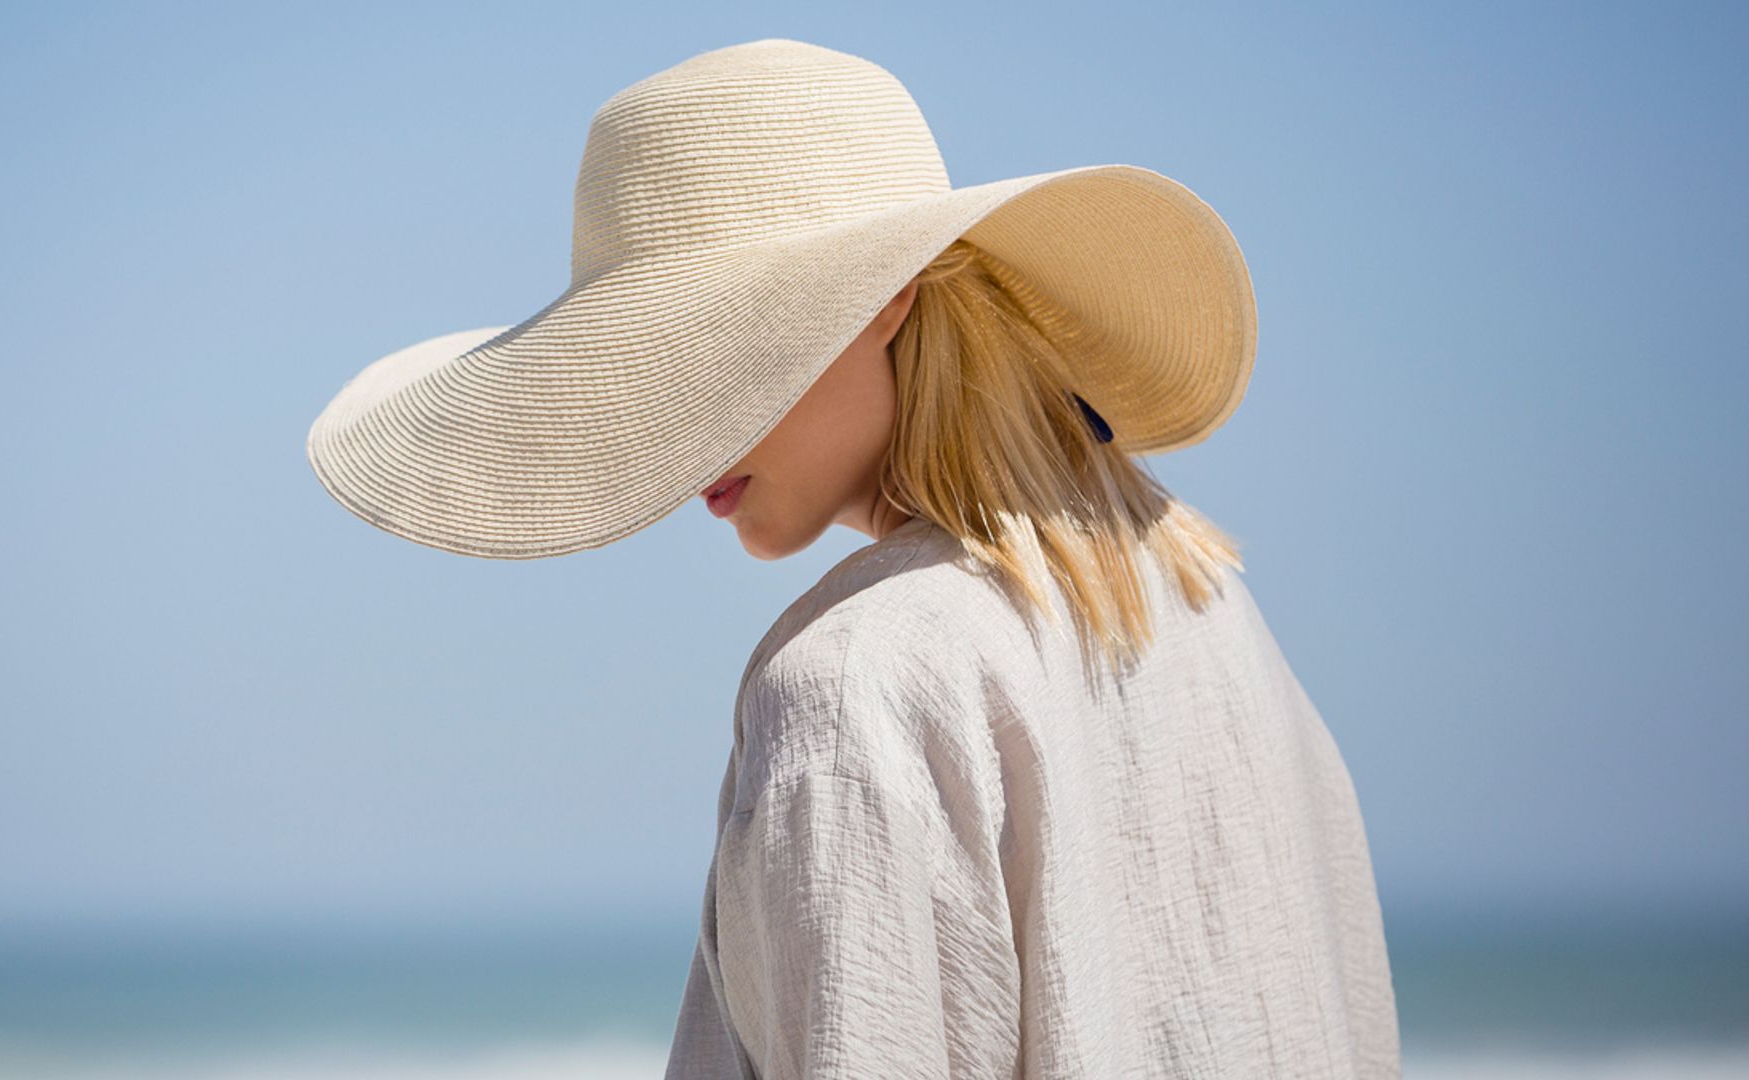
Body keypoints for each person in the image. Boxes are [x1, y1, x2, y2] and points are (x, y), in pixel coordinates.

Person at [307, 37, 1401, 1079]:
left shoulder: (858, 689)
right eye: (644, 372)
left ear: (887, 294)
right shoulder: (1210, 618)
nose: (678, 428)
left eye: (702, 351)